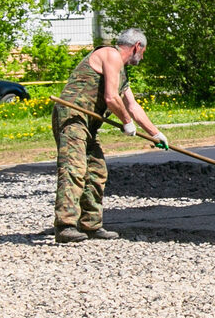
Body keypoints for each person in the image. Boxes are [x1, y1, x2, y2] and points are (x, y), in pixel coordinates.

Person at [51, 29, 168, 242]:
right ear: (137, 47)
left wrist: (156, 134)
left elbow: (132, 106)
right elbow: (111, 97)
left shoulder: (120, 70)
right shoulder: (111, 55)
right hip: (73, 117)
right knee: (74, 168)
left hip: (89, 124)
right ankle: (65, 226)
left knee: (96, 171)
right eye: (143, 52)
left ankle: (90, 225)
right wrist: (126, 123)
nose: (142, 57)